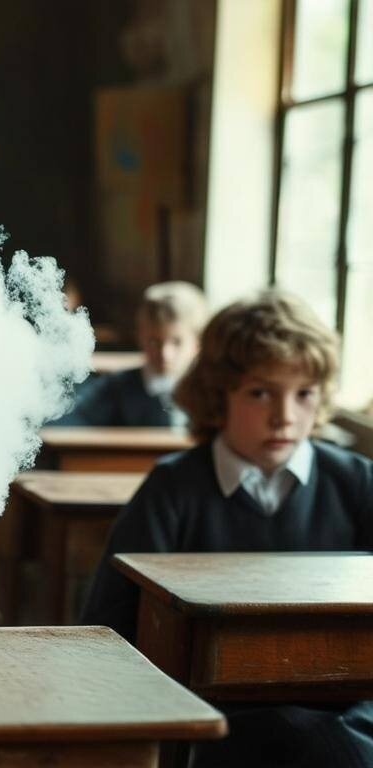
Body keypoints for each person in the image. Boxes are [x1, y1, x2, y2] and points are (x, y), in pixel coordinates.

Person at [80, 289, 373, 767]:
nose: (284, 416)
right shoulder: (172, 488)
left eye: (304, 394)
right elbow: (107, 629)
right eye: (260, 392)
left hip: (347, 724)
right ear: (219, 393)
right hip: (205, 725)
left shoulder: (359, 482)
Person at [54, 280, 208, 427]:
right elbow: (70, 424)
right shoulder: (115, 388)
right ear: (140, 337)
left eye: (177, 342)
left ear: (198, 343)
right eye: (154, 342)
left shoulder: (209, 390)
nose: (165, 354)